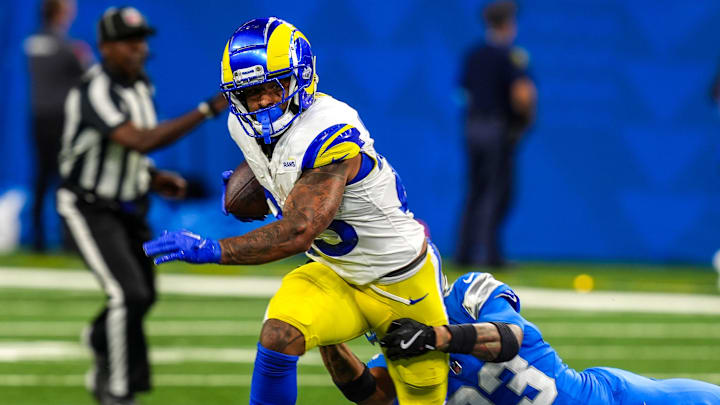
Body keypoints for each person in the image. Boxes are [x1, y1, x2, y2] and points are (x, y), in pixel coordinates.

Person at [143, 17, 449, 404]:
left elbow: (300, 229)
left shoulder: (330, 128)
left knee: (413, 397)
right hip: (334, 273)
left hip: (401, 282)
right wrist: (263, 190)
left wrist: (215, 248)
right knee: (279, 335)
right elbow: (281, 181)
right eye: (250, 93)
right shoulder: (241, 126)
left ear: (301, 78)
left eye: (272, 87)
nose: (263, 102)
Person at [55, 6, 227, 405]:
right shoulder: (94, 91)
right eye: (127, 42)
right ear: (104, 48)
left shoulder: (141, 85)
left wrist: (152, 177)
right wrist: (205, 110)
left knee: (145, 295)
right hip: (88, 206)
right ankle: (116, 392)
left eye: (141, 40)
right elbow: (139, 139)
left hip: (129, 205)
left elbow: (129, 152)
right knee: (126, 295)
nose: (137, 48)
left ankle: (99, 337)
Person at [319, 272, 720, 405]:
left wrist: (435, 337)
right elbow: (368, 395)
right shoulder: (390, 362)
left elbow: (508, 338)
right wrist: (325, 335)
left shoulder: (467, 294)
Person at [456, 0, 537, 268]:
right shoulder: (511, 55)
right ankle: (492, 256)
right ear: (509, 23)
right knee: (497, 191)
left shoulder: (473, 54)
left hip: (472, 127)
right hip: (496, 128)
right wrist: (525, 121)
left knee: (474, 190)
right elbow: (523, 94)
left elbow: (463, 93)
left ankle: (464, 253)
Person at [24, 0, 92, 251]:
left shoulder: (31, 43)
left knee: (41, 178)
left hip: (38, 117)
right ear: (61, 12)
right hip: (62, 120)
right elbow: (89, 76)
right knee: (68, 180)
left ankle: (38, 241)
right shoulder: (69, 48)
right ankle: (70, 241)